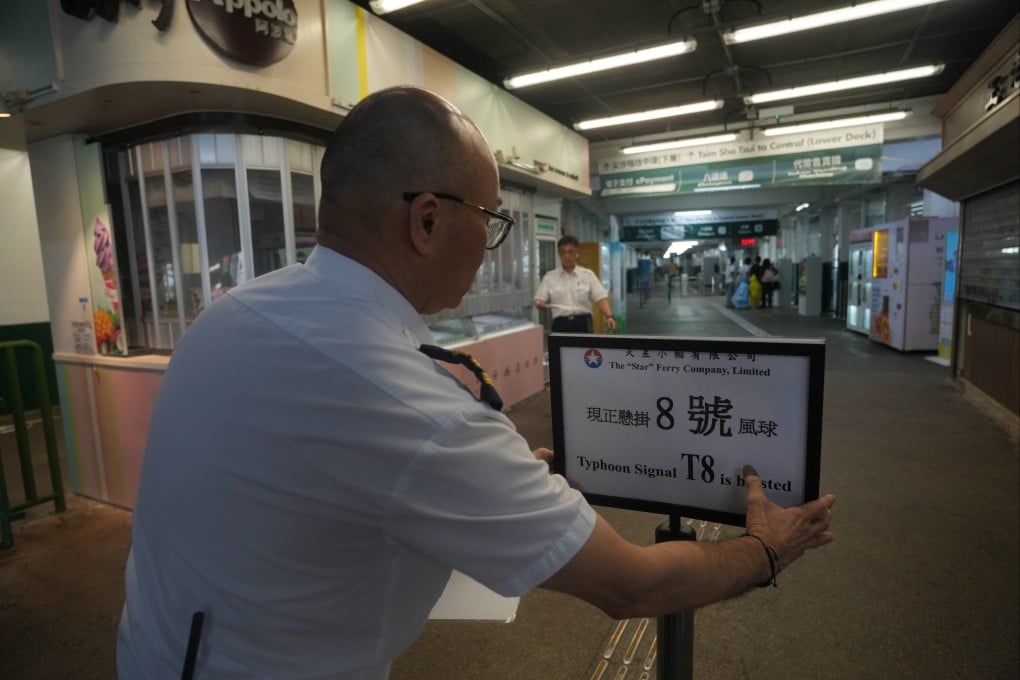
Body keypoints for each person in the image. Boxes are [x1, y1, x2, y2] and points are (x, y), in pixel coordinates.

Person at [116, 86, 835, 679]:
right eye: (491, 219)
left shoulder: (230, 314)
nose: (495, 241)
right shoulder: (413, 404)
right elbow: (632, 583)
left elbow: (298, 481)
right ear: (427, 219)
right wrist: (768, 548)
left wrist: (473, 479)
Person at [534, 234, 617, 333]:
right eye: (563, 252)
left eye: (570, 252)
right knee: (559, 348)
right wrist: (540, 304)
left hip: (583, 323)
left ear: (577, 253)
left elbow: (600, 298)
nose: (567, 256)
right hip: (560, 323)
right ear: (559, 254)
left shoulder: (587, 275)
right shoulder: (550, 277)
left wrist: (609, 316)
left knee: (585, 348)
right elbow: (539, 299)